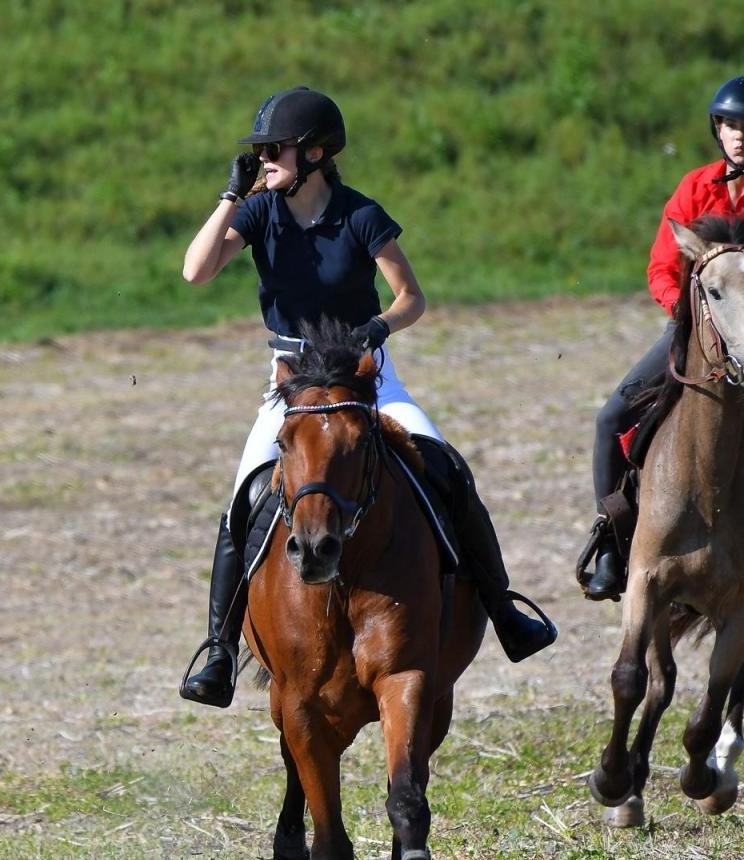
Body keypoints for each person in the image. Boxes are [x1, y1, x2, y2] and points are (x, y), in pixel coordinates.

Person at [177, 86, 556, 707]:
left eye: (277, 149)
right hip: (292, 382)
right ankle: (219, 650)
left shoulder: (360, 215)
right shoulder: (258, 212)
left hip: (366, 374)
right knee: (246, 495)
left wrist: (379, 327)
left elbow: (412, 297)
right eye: (260, 150)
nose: (265, 158)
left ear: (318, 153)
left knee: (446, 465)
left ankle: (504, 608)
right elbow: (196, 270)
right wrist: (230, 195)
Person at [579, 76, 744, 600]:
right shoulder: (696, 185)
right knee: (611, 418)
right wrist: (682, 311)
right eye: (729, 124)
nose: (738, 135)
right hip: (696, 327)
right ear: (716, 130)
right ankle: (612, 541)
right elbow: (662, 265)